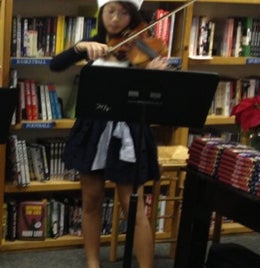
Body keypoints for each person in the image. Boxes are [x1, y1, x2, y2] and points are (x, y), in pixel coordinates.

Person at [49, 1, 169, 268]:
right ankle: (93, 263)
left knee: (133, 206)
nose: (115, 19)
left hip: (130, 130)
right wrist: (79, 48)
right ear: (101, 12)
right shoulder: (91, 44)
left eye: (124, 12)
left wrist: (154, 77)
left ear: (133, 15)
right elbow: (55, 65)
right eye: (110, 11)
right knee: (90, 200)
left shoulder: (143, 48)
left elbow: (159, 99)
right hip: (93, 128)